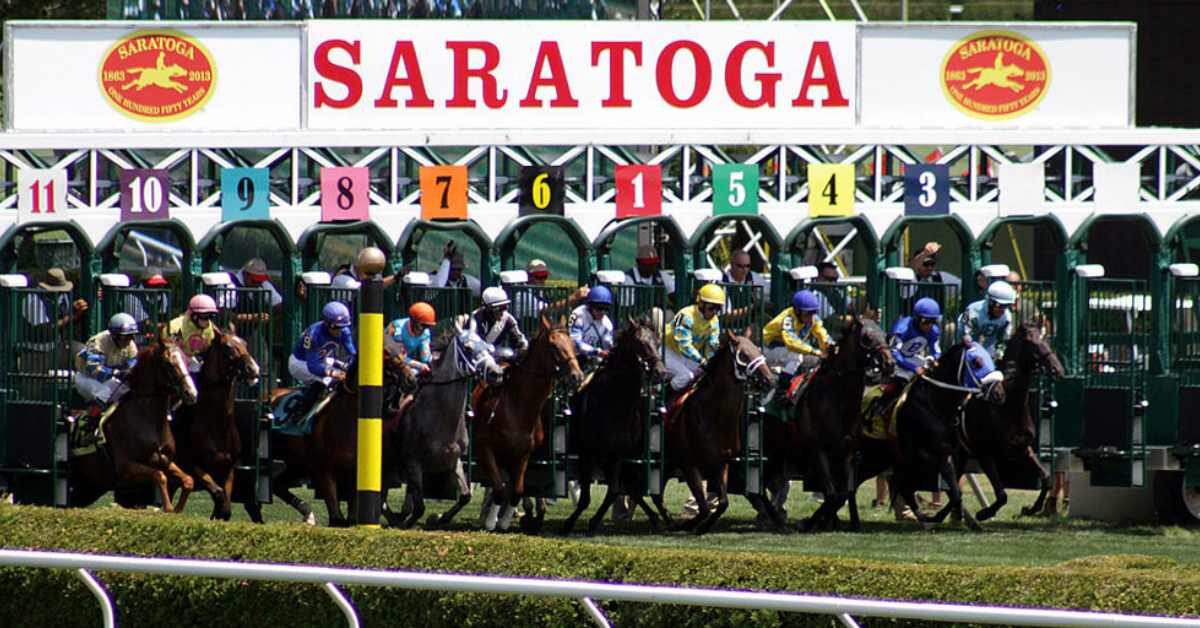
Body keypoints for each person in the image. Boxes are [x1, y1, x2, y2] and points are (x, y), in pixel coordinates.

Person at [286, 301, 356, 423]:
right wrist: (332, 373)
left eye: (343, 326)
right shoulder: (313, 335)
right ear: (326, 323)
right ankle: (300, 410)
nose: (340, 331)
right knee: (329, 380)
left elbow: (352, 353)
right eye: (336, 327)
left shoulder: (344, 331)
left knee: (344, 369)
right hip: (300, 363)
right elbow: (313, 366)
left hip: (322, 360)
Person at [664, 283, 724, 393]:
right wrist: (702, 360)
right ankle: (664, 401)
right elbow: (684, 346)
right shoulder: (686, 315)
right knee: (686, 376)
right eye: (711, 308)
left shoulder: (714, 321)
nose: (715, 312)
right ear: (701, 304)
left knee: (704, 374)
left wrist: (711, 361)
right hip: (667, 351)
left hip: (686, 357)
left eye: (718, 309)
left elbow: (712, 345)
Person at [74, 313, 139, 411]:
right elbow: (94, 370)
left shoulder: (131, 345)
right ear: (114, 335)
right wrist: (117, 373)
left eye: (132, 336)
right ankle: (87, 420)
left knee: (128, 392)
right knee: (105, 393)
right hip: (86, 377)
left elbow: (132, 366)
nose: (128, 341)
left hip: (110, 379)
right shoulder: (98, 341)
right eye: (125, 337)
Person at [762, 290, 829, 376]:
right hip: (766, 350)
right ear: (797, 311)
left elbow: (822, 334)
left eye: (814, 312)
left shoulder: (813, 319)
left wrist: (829, 347)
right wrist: (815, 351)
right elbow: (792, 343)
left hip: (782, 351)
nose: (811, 317)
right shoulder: (787, 318)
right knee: (796, 356)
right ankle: (783, 386)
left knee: (817, 360)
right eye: (808, 313)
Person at [466, 286, 529, 365]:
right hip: (477, 359)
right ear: (488, 309)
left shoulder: (507, 318)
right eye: (499, 308)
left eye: (505, 307)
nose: (503, 312)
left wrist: (523, 347)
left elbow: (519, 338)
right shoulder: (475, 318)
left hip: (496, 357)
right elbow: (473, 341)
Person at [957, 280, 1015, 359]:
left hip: (988, 348)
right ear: (990, 301)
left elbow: (1003, 340)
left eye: (1006, 305)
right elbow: (966, 337)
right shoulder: (972, 311)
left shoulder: (1006, 318)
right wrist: (976, 354)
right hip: (963, 344)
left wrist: (998, 354)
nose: (1002, 309)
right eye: (999, 305)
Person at [169, 294, 220, 373]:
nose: (208, 321)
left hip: (193, 359)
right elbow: (169, 350)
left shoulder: (209, 328)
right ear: (194, 316)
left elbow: (207, 347)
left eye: (211, 316)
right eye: (205, 316)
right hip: (174, 361)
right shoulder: (175, 326)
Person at [568, 285, 614, 364]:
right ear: (590, 306)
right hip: (572, 356)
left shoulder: (607, 324)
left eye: (606, 308)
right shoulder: (577, 315)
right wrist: (597, 352)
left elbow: (608, 346)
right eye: (599, 308)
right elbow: (575, 342)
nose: (603, 312)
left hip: (591, 358)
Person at [387, 302, 436, 375]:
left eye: (427, 326)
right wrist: (419, 365)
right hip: (387, 361)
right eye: (422, 325)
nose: (424, 330)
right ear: (412, 322)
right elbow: (399, 357)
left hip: (402, 362)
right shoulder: (397, 329)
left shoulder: (426, 333)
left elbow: (425, 358)